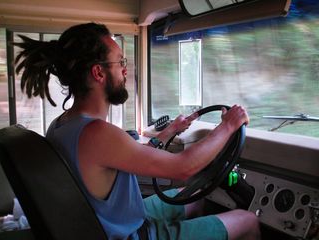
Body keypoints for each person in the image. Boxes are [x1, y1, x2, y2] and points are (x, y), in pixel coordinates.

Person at [14, 22, 260, 240]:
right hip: (132, 234)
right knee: (246, 220)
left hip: (115, 221)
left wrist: (168, 132)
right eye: (120, 61)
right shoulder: (97, 133)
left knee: (193, 197)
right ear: (99, 72)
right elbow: (184, 167)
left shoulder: (61, 124)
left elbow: (120, 158)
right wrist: (229, 125)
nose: (124, 70)